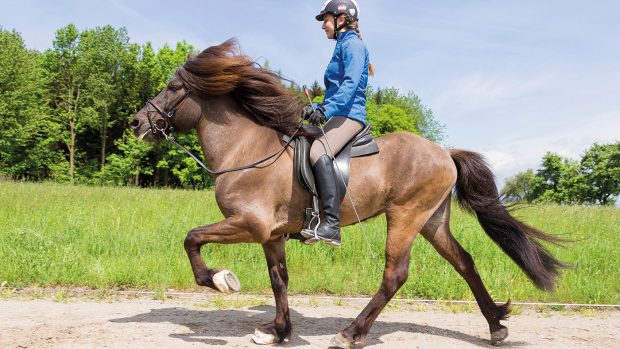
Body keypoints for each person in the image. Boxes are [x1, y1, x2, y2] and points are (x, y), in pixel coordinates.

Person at [300, 0, 374, 247]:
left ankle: (331, 224)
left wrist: (326, 109)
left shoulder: (353, 45)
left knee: (318, 151)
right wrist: (317, 107)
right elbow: (335, 91)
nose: (323, 26)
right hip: (337, 112)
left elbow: (350, 86)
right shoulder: (342, 45)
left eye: (326, 20)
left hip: (350, 115)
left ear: (340, 20)